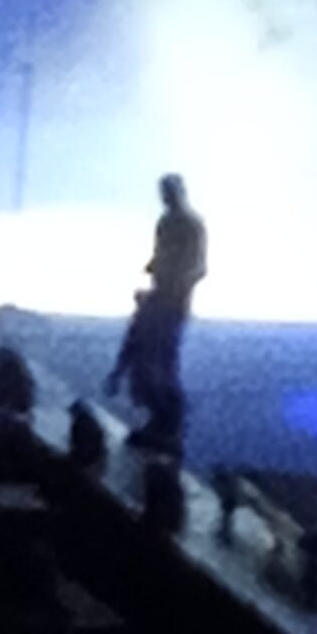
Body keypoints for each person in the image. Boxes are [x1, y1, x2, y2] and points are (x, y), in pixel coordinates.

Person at [107, 173, 206, 452]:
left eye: (168, 191)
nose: (164, 197)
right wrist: (156, 271)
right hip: (161, 297)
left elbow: (197, 267)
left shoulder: (190, 223)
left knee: (161, 364)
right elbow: (163, 257)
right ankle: (159, 422)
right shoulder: (167, 222)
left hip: (172, 302)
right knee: (146, 360)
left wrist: (174, 285)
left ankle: (168, 426)